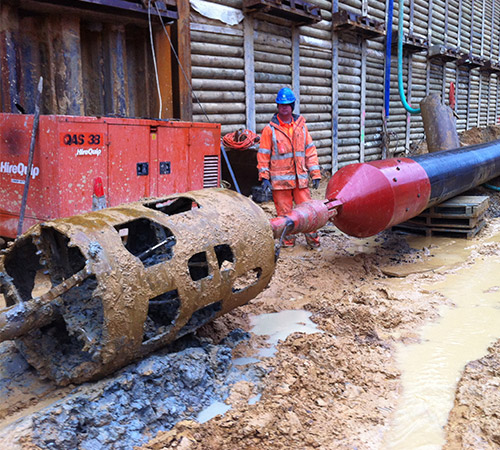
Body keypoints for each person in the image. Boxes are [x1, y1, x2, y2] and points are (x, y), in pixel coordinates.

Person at [257, 87, 321, 248]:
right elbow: (263, 155)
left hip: (300, 180)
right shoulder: (269, 130)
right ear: (277, 106)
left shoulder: (301, 127)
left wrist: (315, 173)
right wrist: (264, 177)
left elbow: (310, 151)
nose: (284, 107)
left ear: (292, 106)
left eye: (287, 104)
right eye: (281, 104)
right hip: (280, 183)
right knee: (285, 215)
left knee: (309, 212)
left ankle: (313, 242)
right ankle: (288, 242)